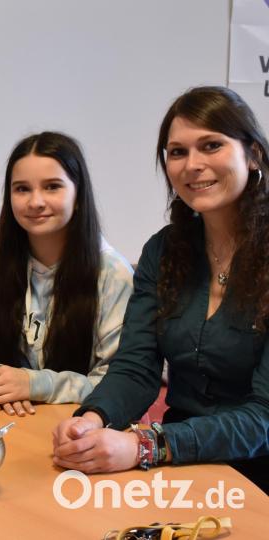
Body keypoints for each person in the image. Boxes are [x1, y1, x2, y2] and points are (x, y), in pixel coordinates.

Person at [53, 86, 269, 493]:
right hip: (179, 468)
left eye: (211, 145)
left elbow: (264, 417)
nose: (193, 165)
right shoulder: (163, 250)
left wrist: (144, 446)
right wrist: (91, 420)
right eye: (177, 152)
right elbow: (136, 369)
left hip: (256, 473)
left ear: (253, 154)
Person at [0, 132, 133, 417]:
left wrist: (35, 385)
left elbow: (118, 382)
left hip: (82, 427)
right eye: (22, 189)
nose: (35, 201)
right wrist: (5, 384)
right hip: (8, 422)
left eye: (52, 187)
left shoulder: (114, 275)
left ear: (79, 196)